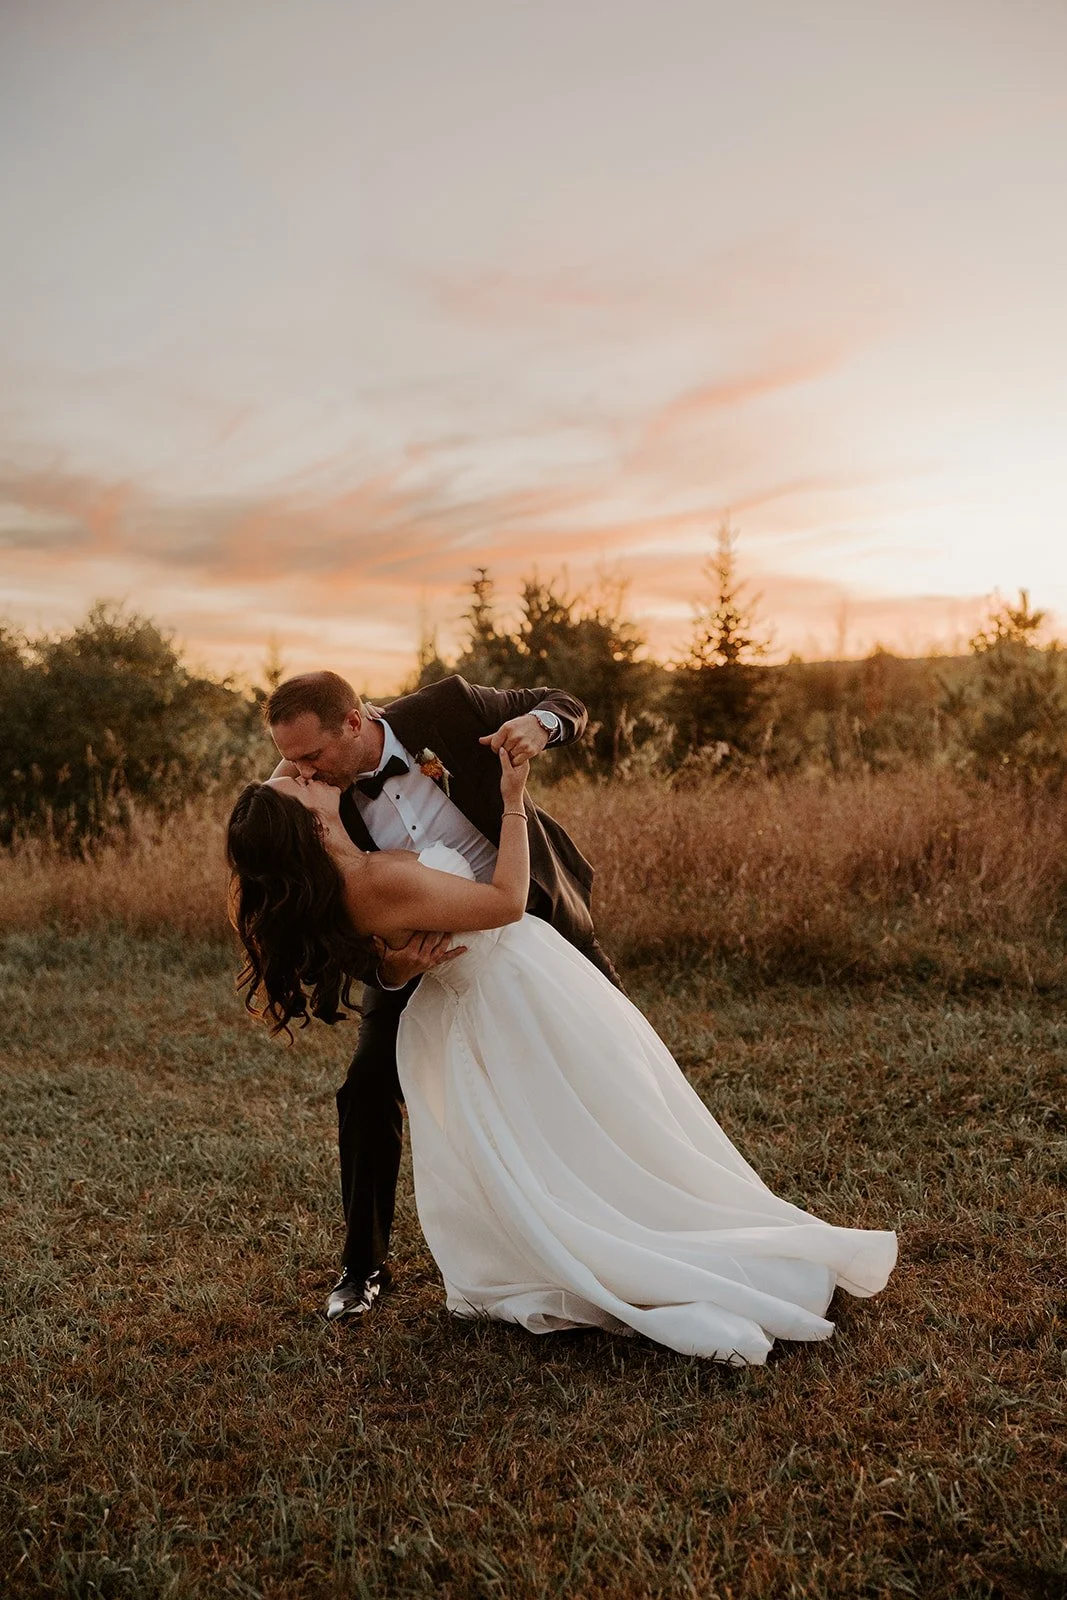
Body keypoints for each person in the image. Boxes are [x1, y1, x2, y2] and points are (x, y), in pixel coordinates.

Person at [227, 744, 897, 1364]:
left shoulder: (347, 875)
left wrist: (397, 965)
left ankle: (613, 1221)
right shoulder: (369, 879)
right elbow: (505, 901)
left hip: (501, 986)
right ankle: (635, 1245)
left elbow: (386, 948)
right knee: (590, 1120)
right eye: (292, 781)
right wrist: (513, 799)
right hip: (509, 990)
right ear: (306, 825)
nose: (295, 768)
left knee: (576, 1128)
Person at [260, 671, 621, 1321]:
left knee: (620, 1056)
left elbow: (561, 700)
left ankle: (629, 1212)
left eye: (310, 754)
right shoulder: (306, 794)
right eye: (289, 755)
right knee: (367, 1087)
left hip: (536, 924)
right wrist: (391, 969)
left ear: (353, 722)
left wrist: (542, 726)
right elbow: (324, 920)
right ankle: (362, 1266)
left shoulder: (449, 708)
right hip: (421, 958)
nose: (297, 768)